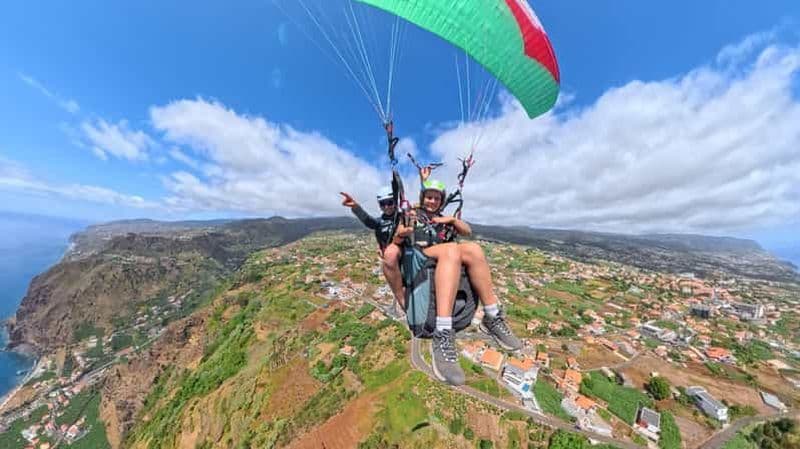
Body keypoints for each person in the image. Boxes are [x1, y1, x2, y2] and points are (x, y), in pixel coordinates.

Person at [393, 178, 522, 386]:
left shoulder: (444, 218)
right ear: (422, 198)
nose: (432, 201)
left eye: (436, 198)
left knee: (474, 249)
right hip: (420, 254)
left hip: (444, 256)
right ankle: (442, 331)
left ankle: (492, 316)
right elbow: (399, 232)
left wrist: (451, 221)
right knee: (452, 249)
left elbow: (467, 231)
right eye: (429, 197)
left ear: (441, 201)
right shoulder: (414, 214)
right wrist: (404, 231)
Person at [340, 188, 405, 307]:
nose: (386, 207)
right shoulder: (379, 223)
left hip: (406, 258)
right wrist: (355, 206)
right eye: (382, 204)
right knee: (401, 289)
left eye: (389, 202)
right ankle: (403, 303)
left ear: (395, 202)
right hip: (392, 264)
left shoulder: (404, 218)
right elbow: (368, 221)